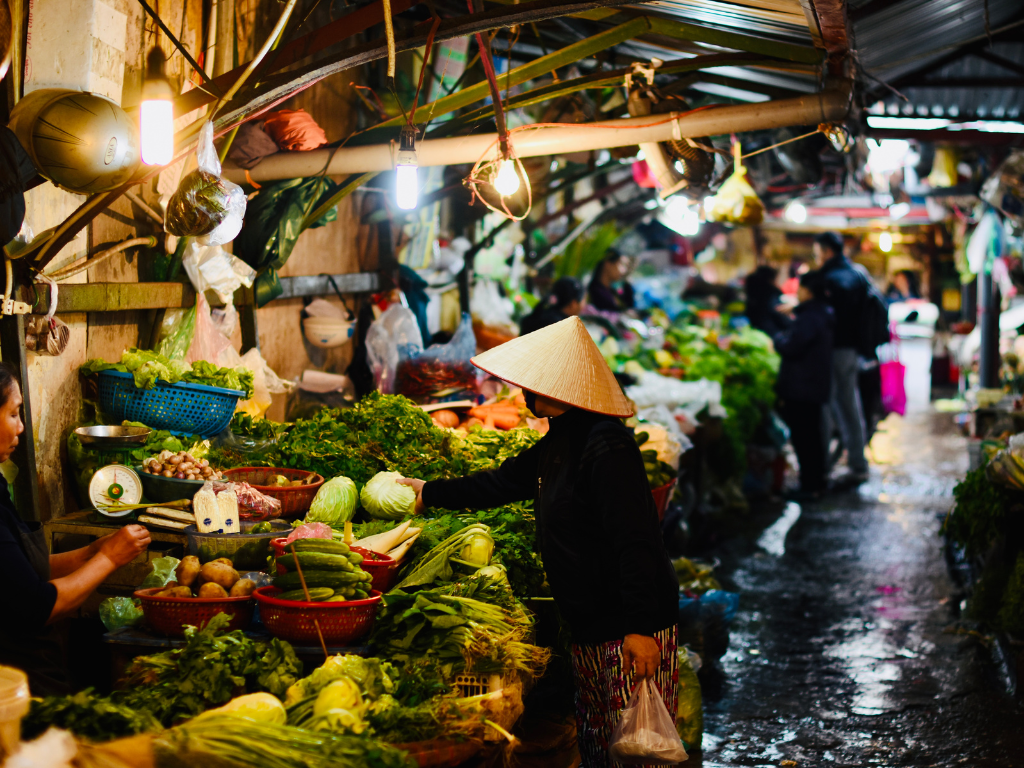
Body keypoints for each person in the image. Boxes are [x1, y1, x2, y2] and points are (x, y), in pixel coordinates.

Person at [398, 317, 678, 767]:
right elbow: (500, 483)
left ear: (556, 386)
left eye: (531, 383)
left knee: (638, 751)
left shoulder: (606, 448)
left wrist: (640, 628)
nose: (523, 390)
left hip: (626, 627)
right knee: (602, 743)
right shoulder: (561, 440)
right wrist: (426, 491)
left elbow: (636, 542)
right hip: (590, 625)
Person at [0, 364, 151, 695]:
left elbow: (18, 573)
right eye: (13, 414)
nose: (22, 427)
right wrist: (109, 559)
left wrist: (91, 552)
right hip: (16, 686)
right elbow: (38, 606)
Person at [814, 231, 869, 484]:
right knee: (850, 405)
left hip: (830, 349)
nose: (817, 259)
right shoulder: (858, 274)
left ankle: (821, 466)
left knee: (824, 406)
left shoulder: (827, 278)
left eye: (817, 254)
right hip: (852, 349)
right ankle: (858, 463)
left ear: (826, 251)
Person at [773, 271, 834, 500]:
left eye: (800, 289)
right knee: (813, 437)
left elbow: (792, 346)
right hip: (813, 385)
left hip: (802, 386)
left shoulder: (811, 317)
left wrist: (779, 339)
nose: (797, 293)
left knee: (805, 438)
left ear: (808, 291)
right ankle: (816, 483)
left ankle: (810, 486)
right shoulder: (821, 313)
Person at [744, 265, 792, 337]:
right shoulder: (772, 294)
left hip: (756, 331)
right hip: (772, 334)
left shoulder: (752, 290)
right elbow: (779, 316)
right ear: (771, 279)